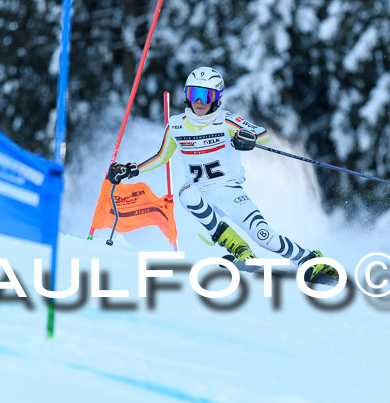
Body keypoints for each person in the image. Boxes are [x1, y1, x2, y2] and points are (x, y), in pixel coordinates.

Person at [108, 66, 338, 282]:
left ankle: (308, 259)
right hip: (200, 193)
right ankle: (241, 250)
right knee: (186, 193)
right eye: (194, 93)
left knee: (264, 236)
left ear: (216, 97)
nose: (198, 102)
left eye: (205, 96)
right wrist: (131, 169)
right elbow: (161, 156)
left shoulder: (225, 121)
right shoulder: (176, 125)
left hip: (228, 189)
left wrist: (248, 139)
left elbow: (263, 135)